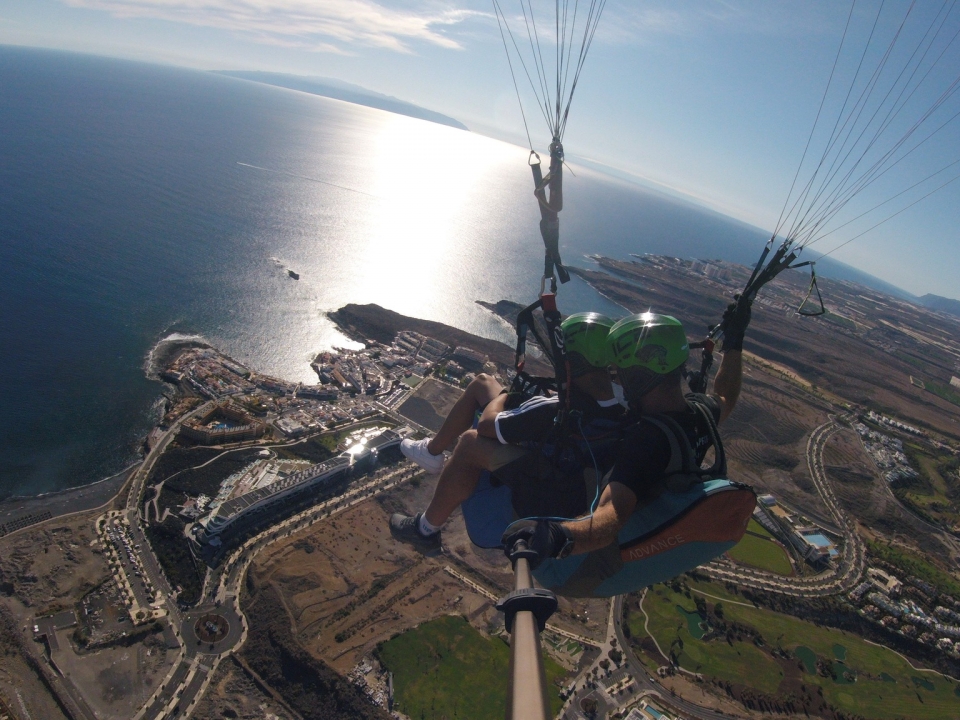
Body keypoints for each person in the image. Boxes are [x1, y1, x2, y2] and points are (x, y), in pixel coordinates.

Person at [501, 300, 752, 564]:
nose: (615, 381)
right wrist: (735, 343)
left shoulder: (644, 441)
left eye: (618, 374)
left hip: (603, 558)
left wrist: (557, 535)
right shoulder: (701, 413)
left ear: (638, 378)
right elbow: (726, 396)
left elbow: (610, 517)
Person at [389, 312, 625, 553]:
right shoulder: (625, 404)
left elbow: (487, 425)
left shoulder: (557, 407)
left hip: (542, 490)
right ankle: (431, 451)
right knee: (483, 383)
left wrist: (506, 398)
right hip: (569, 471)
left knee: (471, 442)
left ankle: (425, 530)